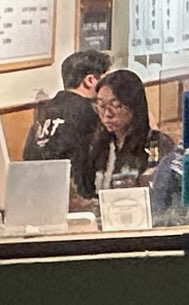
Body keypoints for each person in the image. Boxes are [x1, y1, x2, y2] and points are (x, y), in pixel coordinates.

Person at [24, 49, 109, 202]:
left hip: (35, 195)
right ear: (90, 80)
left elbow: (28, 155)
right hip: (77, 198)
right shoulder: (89, 112)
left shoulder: (44, 111)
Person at [86, 69, 176, 202]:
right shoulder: (98, 145)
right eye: (101, 105)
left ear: (133, 105)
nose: (107, 114)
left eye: (115, 105)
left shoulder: (156, 142)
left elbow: (162, 195)